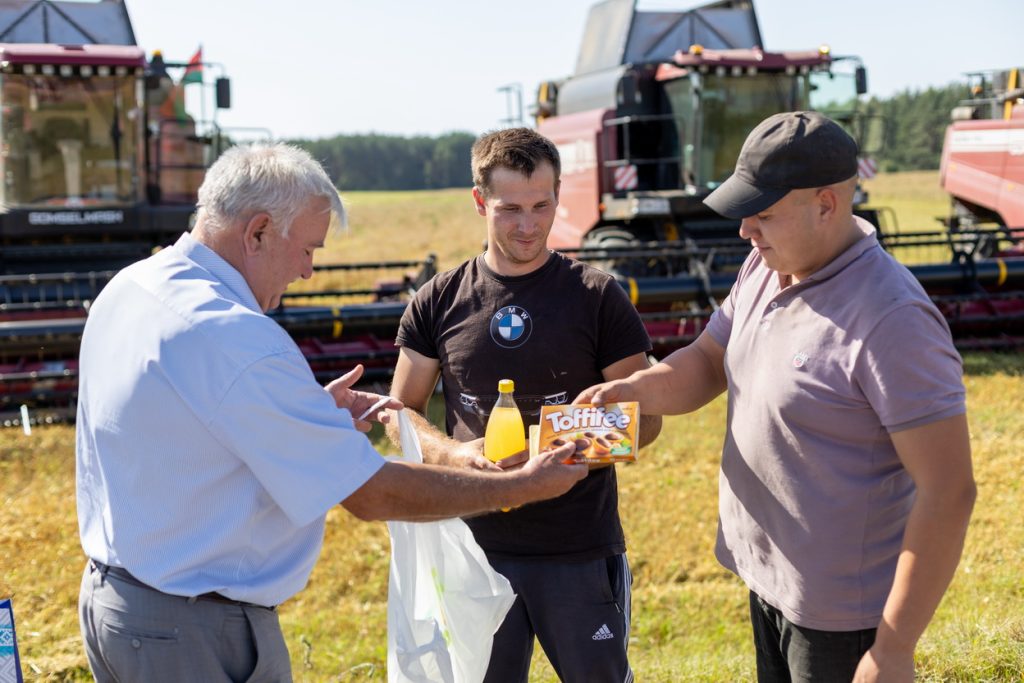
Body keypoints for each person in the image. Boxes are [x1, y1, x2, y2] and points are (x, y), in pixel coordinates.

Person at [75, 142, 586, 683]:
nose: (308, 271)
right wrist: (524, 486)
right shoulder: (237, 336)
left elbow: (178, 428)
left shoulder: (131, 288)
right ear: (258, 232)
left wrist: (304, 412)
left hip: (118, 605)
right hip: (193, 632)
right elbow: (372, 494)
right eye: (308, 250)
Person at [577, 111, 976, 683]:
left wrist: (893, 649)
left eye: (762, 214)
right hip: (771, 579)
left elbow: (950, 491)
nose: (745, 231)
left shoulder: (893, 319)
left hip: (844, 617)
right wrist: (637, 389)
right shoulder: (768, 266)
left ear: (826, 204)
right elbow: (709, 360)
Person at [388, 127, 662, 683]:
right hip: (474, 552)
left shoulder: (597, 296)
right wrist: (455, 455)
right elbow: (400, 412)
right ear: (479, 201)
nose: (529, 225)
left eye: (542, 206)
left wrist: (558, 450)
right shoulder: (438, 300)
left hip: (578, 548)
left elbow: (646, 419)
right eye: (509, 208)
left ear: (559, 195)